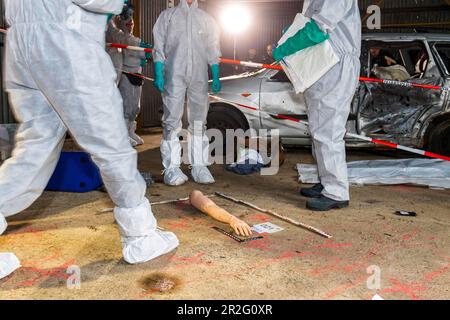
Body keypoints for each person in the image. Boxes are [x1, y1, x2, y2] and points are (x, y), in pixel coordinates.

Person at [0, 0, 179, 264]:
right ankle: (140, 236)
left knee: (34, 148)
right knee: (110, 142)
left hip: (21, 43)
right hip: (66, 40)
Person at [273, 0, 361, 211]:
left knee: (328, 131)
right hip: (323, 64)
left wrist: (288, 45)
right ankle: (326, 181)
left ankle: (336, 191)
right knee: (319, 129)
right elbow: (310, 22)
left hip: (336, 66)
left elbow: (318, 30)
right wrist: (293, 32)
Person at [153, 0, 222, 186]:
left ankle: (199, 166)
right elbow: (159, 44)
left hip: (199, 76)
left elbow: (212, 47)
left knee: (199, 121)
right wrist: (158, 70)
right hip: (174, 74)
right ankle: (171, 168)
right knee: (171, 120)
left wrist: (215, 73)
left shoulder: (206, 19)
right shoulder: (168, 16)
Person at [117, 14, 152, 147]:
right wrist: (152, 50)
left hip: (137, 75)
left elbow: (144, 52)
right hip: (127, 76)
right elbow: (145, 50)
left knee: (135, 107)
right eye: (127, 20)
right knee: (127, 107)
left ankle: (131, 131)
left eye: (132, 20)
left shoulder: (133, 39)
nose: (130, 22)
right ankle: (123, 135)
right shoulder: (124, 39)